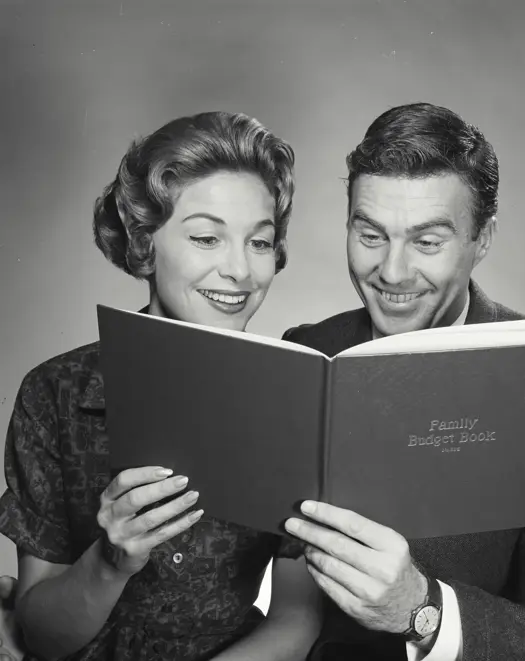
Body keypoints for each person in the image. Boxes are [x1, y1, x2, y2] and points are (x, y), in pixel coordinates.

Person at [280, 103, 525, 661]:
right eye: (370, 235)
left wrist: (422, 612)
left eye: (426, 242)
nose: (392, 273)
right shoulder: (303, 352)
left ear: (483, 238)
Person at [0, 111, 321, 661]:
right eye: (205, 238)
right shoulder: (54, 394)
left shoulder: (300, 402)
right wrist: (109, 561)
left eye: (260, 243)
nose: (240, 271)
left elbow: (296, 620)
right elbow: (41, 639)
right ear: (145, 243)